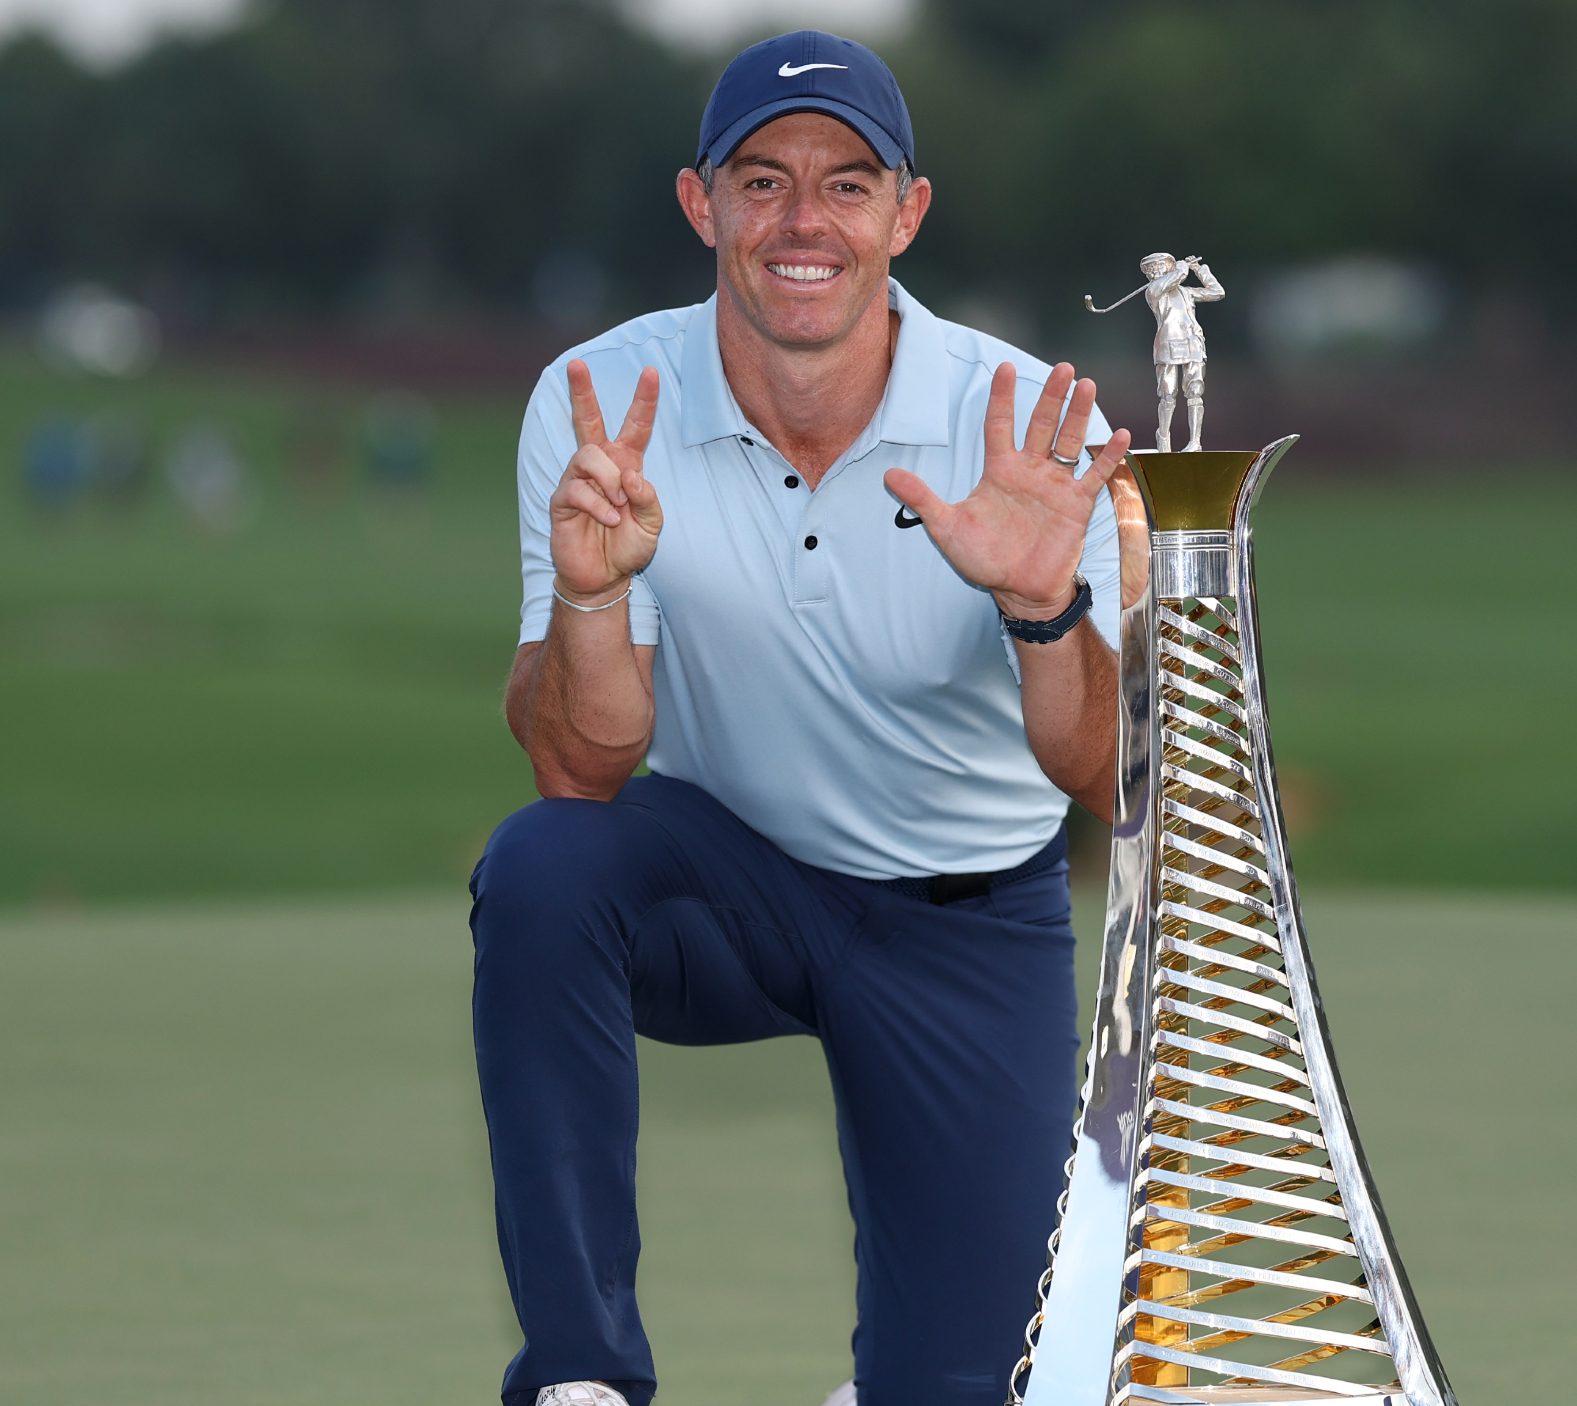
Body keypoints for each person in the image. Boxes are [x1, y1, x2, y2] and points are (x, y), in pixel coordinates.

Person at [468, 29, 1137, 1406]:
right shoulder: (605, 407)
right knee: (539, 871)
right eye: (760, 181)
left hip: (964, 921)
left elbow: (1111, 776)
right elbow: (578, 769)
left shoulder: (1028, 420)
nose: (801, 222)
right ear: (698, 204)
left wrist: (1043, 607)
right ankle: (582, 1378)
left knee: (968, 1390)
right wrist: (594, 600)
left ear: (909, 211)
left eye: (847, 183)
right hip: (731, 875)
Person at [1138, 253, 1223, 452]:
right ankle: (1164, 437)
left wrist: (1200, 270)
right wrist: (1181, 269)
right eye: (1150, 270)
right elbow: (1176, 278)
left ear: (1168, 267)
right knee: (1168, 393)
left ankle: (1195, 441)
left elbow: (1217, 292)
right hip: (1167, 345)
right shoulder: (1154, 291)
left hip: (1192, 342)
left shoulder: (1186, 292)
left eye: (1158, 267)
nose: (1154, 273)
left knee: (1195, 391)